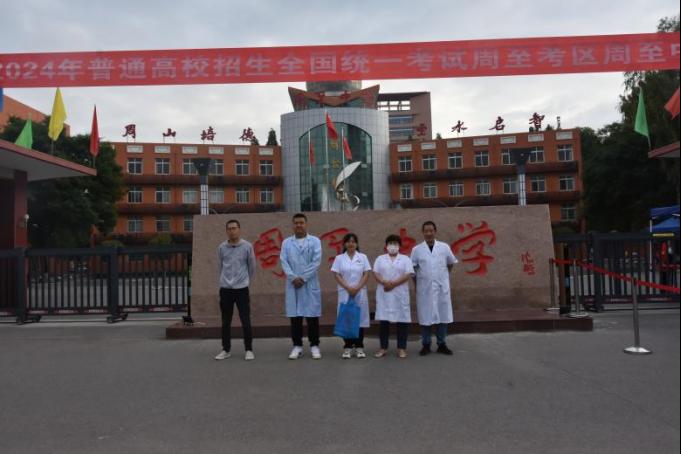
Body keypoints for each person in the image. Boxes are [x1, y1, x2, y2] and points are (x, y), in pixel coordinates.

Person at [411, 221, 458, 356]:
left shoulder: (444, 247)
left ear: (435, 231)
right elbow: (413, 270)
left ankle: (441, 344)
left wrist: (443, 277)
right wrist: (417, 285)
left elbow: (450, 263)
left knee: (442, 316)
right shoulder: (417, 250)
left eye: (431, 230)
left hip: (441, 288)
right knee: (425, 317)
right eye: (426, 231)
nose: (429, 233)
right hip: (424, 289)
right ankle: (426, 344)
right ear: (423, 232)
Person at [280, 213, 323, 360]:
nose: (299, 225)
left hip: (309, 283)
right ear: (293, 225)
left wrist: (303, 278)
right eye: (296, 223)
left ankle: (314, 345)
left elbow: (316, 262)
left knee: (312, 317)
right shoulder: (286, 243)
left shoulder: (315, 241)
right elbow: (284, 261)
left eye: (301, 222)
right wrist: (293, 278)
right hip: (293, 285)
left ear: (306, 224)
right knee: (295, 317)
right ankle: (297, 346)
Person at [214, 219, 256, 361]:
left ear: (239, 229)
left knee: (245, 320)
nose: (232, 231)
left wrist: (245, 281)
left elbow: (252, 267)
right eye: (229, 229)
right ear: (226, 231)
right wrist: (224, 281)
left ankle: (249, 349)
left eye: (234, 228)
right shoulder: (222, 247)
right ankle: (226, 349)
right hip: (226, 289)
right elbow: (220, 266)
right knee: (225, 321)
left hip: (241, 289)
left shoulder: (247, 246)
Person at [373, 234, 415, 359]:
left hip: (399, 293)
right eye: (390, 243)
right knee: (384, 322)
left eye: (395, 243)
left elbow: (408, 274)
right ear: (386, 246)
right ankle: (383, 348)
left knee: (402, 321)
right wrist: (384, 282)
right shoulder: (380, 259)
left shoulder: (405, 259)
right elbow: (376, 273)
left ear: (399, 246)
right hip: (384, 292)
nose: (392, 246)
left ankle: (401, 348)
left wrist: (393, 284)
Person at [330, 233, 372, 359]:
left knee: (359, 319)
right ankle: (347, 347)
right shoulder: (339, 258)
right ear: (344, 244)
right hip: (345, 292)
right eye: (348, 241)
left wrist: (357, 287)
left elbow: (366, 274)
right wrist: (348, 287)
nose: (351, 244)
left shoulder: (363, 257)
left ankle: (359, 347)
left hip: (360, 292)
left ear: (357, 244)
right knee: (346, 319)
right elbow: (336, 275)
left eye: (353, 241)